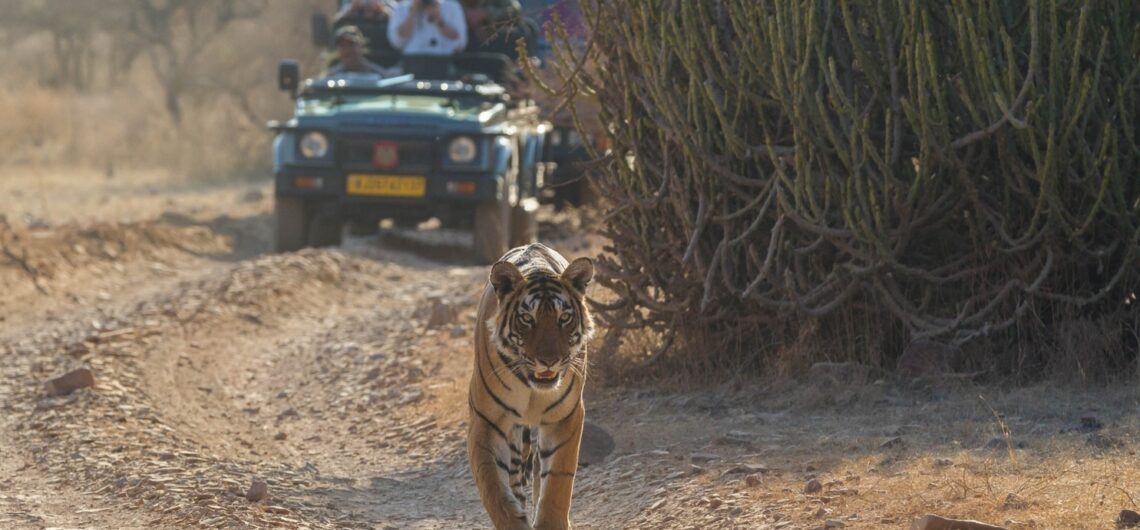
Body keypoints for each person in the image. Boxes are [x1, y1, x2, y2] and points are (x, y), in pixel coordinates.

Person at [387, 0, 468, 56]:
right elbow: (397, 41)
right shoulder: (401, 8)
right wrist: (413, 12)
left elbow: (460, 43)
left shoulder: (453, 7)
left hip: (444, 60)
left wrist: (438, 19)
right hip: (412, 60)